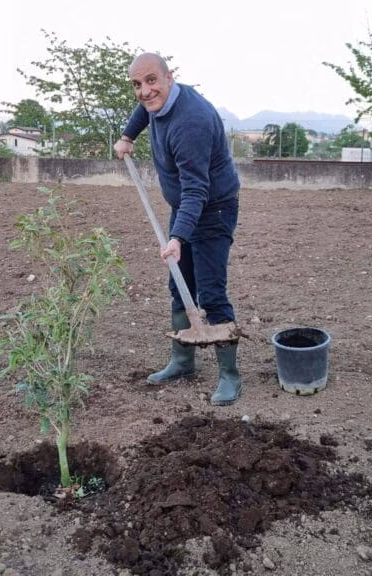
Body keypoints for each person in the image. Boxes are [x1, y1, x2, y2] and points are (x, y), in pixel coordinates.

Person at [113, 52, 242, 406]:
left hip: (213, 208)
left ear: (170, 77)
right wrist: (127, 135)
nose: (144, 91)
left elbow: (197, 190)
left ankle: (230, 375)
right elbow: (145, 108)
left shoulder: (191, 123)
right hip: (185, 206)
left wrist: (178, 237)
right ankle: (183, 362)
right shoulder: (159, 100)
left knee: (211, 292)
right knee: (179, 283)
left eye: (151, 81)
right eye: (137, 84)